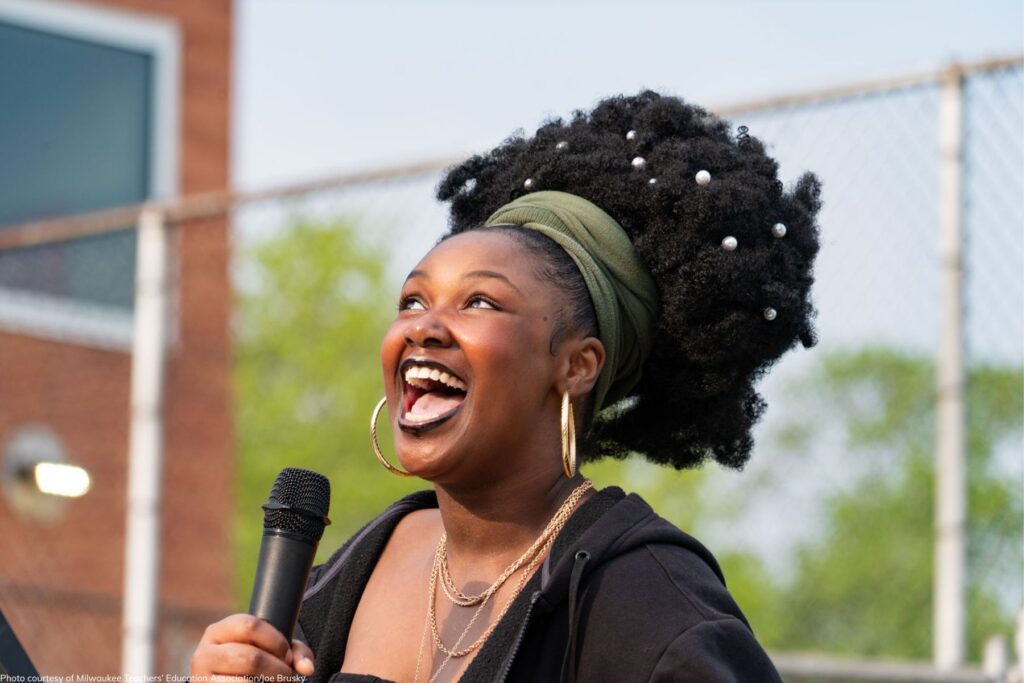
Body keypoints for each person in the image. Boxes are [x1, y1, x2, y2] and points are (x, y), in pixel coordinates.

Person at [191, 90, 821, 682]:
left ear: (577, 366)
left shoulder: (646, 607)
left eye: (481, 302)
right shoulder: (353, 570)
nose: (423, 327)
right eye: (413, 301)